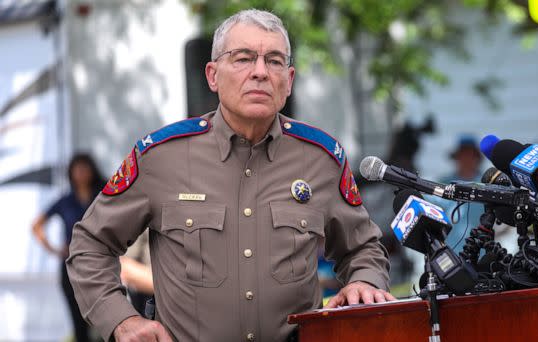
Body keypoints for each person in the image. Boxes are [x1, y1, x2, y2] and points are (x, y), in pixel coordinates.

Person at [67, 9, 394, 342]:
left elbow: (362, 248)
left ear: (290, 80)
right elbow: (90, 245)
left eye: (275, 61)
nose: (260, 72)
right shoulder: (161, 157)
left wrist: (363, 282)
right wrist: (123, 321)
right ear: (212, 75)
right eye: (243, 59)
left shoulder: (321, 159)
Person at [32, 153, 105, 342]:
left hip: (99, 264)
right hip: (70, 265)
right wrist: (54, 249)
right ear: (71, 173)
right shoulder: (66, 200)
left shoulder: (103, 195)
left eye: (85, 168)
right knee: (78, 322)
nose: (81, 173)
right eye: (77, 168)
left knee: (105, 318)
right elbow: (37, 225)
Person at [437, 135, 485, 252]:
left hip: (480, 255)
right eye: (463, 155)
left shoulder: (486, 186)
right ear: (457, 158)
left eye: (470, 155)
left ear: (476, 158)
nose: (466, 159)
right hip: (449, 253)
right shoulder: (443, 183)